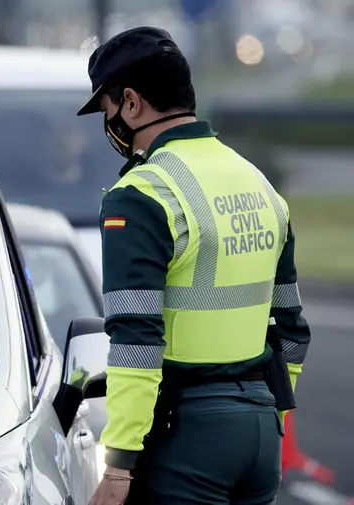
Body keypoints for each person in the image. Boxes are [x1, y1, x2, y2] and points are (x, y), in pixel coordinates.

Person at [77, 27, 312, 504]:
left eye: (107, 111)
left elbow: (136, 340)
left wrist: (119, 467)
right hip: (260, 431)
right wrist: (270, 418)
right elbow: (291, 328)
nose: (110, 126)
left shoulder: (142, 194)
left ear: (131, 102)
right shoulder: (258, 184)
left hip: (189, 435)